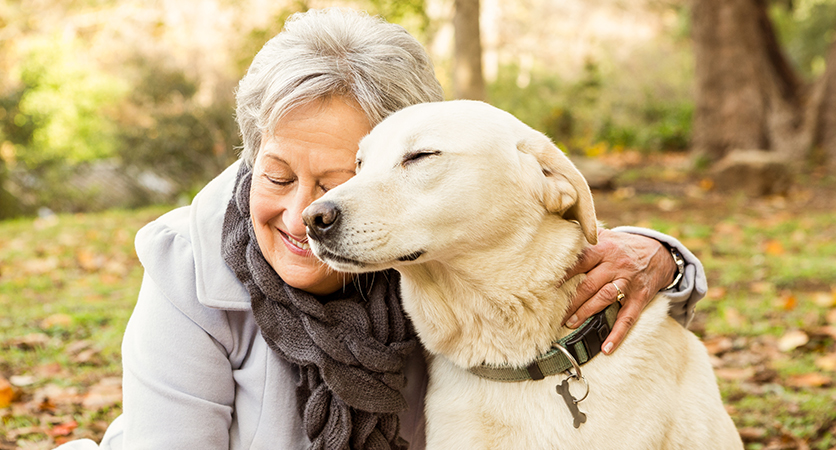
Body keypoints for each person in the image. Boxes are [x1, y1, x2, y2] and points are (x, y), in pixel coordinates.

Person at [56, 8, 706, 450]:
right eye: (277, 176)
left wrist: (663, 256)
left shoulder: (429, 255)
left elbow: (524, 234)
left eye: (338, 181)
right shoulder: (187, 266)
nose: (305, 213)